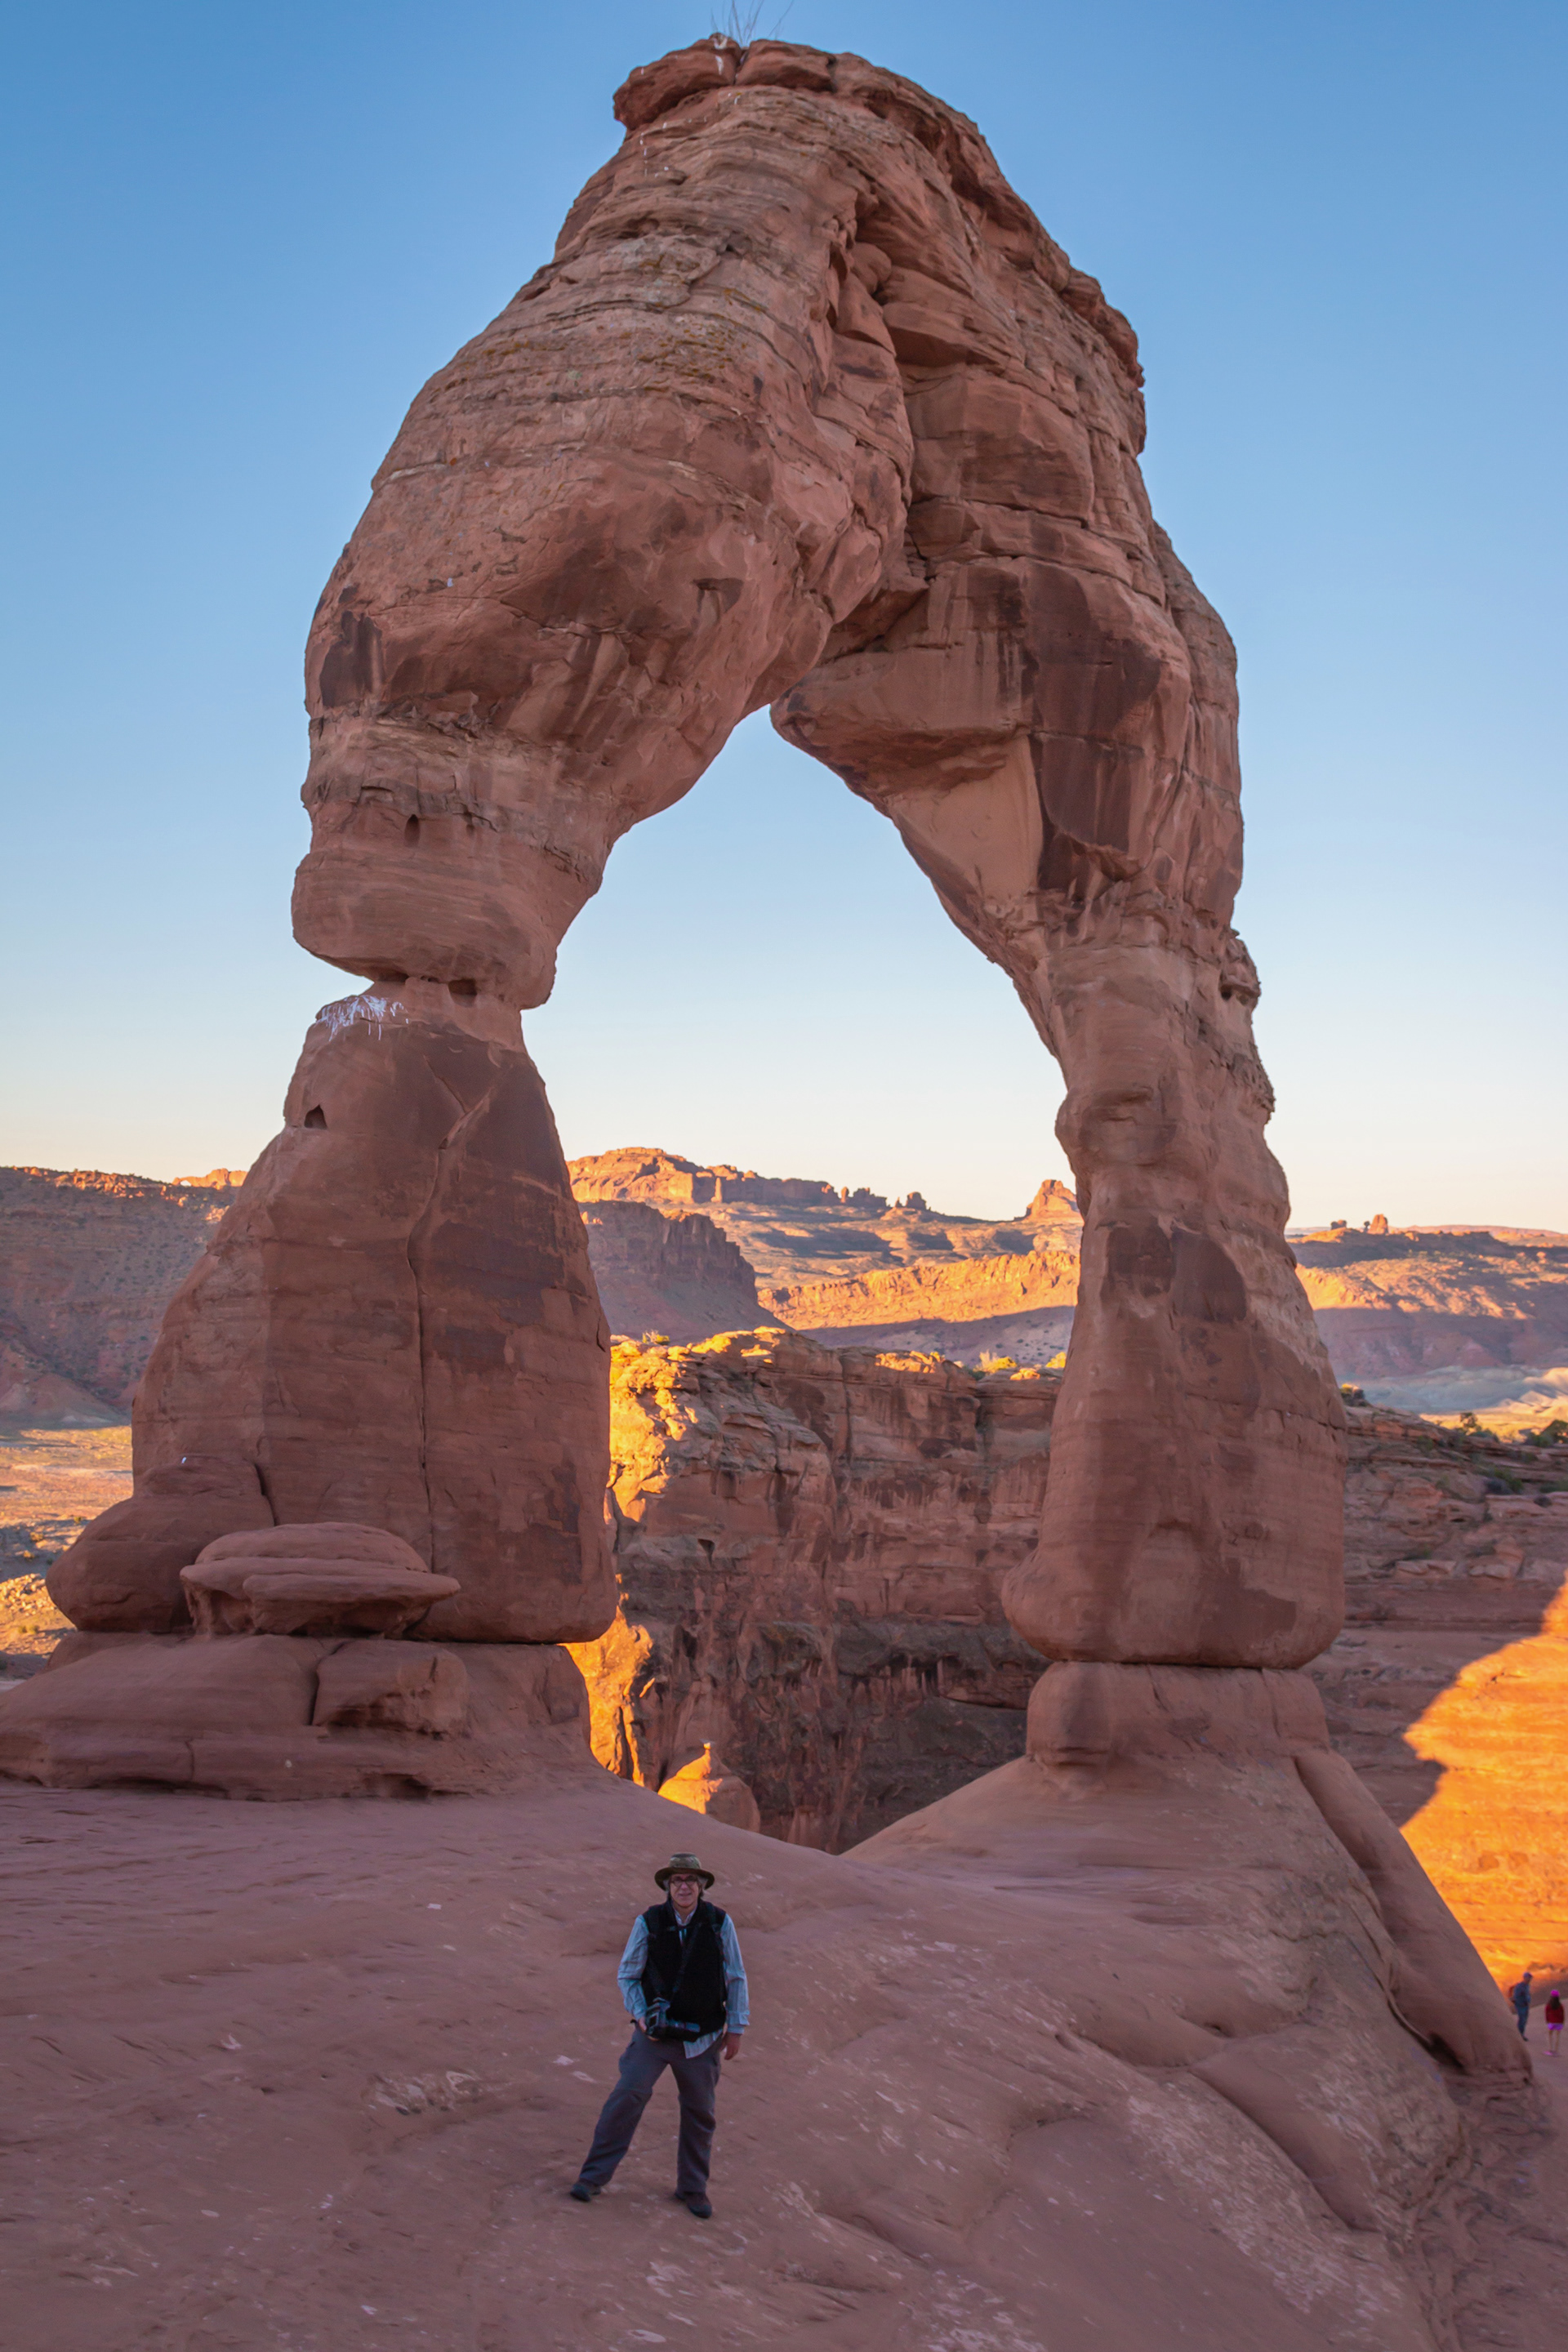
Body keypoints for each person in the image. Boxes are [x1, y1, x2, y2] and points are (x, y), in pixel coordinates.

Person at [570, 1851, 748, 2221]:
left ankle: (693, 2188)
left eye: (690, 1880)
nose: (684, 1886)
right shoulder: (649, 1921)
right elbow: (628, 1973)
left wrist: (737, 2027)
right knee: (627, 2095)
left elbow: (735, 1975)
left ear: (702, 1886)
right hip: (654, 2037)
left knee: (701, 2112)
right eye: (677, 1880)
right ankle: (592, 2178)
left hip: (703, 2036)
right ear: (668, 1886)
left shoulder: (718, 1922)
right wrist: (639, 2016)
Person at [1509, 1969, 1534, 2037]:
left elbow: (1527, 1994)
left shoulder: (1527, 1986)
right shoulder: (1520, 1987)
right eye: (1529, 1978)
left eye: (1530, 1978)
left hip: (1525, 2005)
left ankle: (1521, 2034)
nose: (1530, 1980)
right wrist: (1519, 2003)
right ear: (1525, 1978)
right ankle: (1519, 2035)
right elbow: (1516, 1996)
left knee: (1524, 2021)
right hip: (1520, 2006)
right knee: (1522, 2020)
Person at [1545, 1989, 1564, 2056]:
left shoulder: (1549, 2005)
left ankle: (1550, 2049)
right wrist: (1562, 2022)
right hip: (1559, 2022)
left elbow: (1546, 2013)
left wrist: (1547, 2021)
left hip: (1551, 2022)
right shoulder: (1560, 2005)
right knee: (1557, 2037)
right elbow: (1562, 2014)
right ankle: (1556, 2051)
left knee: (1550, 2035)